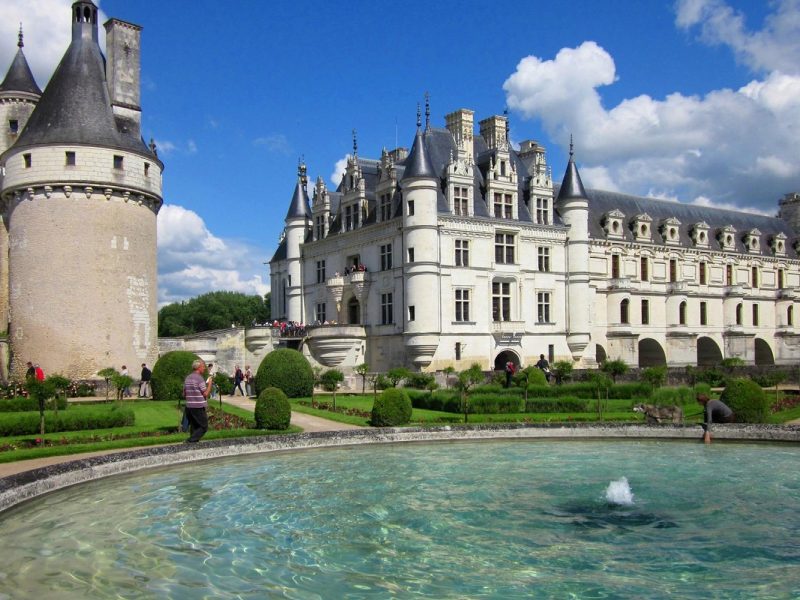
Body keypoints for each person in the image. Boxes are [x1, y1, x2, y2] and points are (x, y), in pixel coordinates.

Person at [183, 359, 210, 442]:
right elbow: (205, 393)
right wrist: (210, 384)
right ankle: (190, 441)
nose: (204, 368)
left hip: (189, 406)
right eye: (203, 367)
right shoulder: (199, 378)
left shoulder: (188, 377)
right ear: (198, 367)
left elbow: (184, 393)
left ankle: (193, 444)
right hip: (198, 406)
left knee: (195, 426)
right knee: (204, 426)